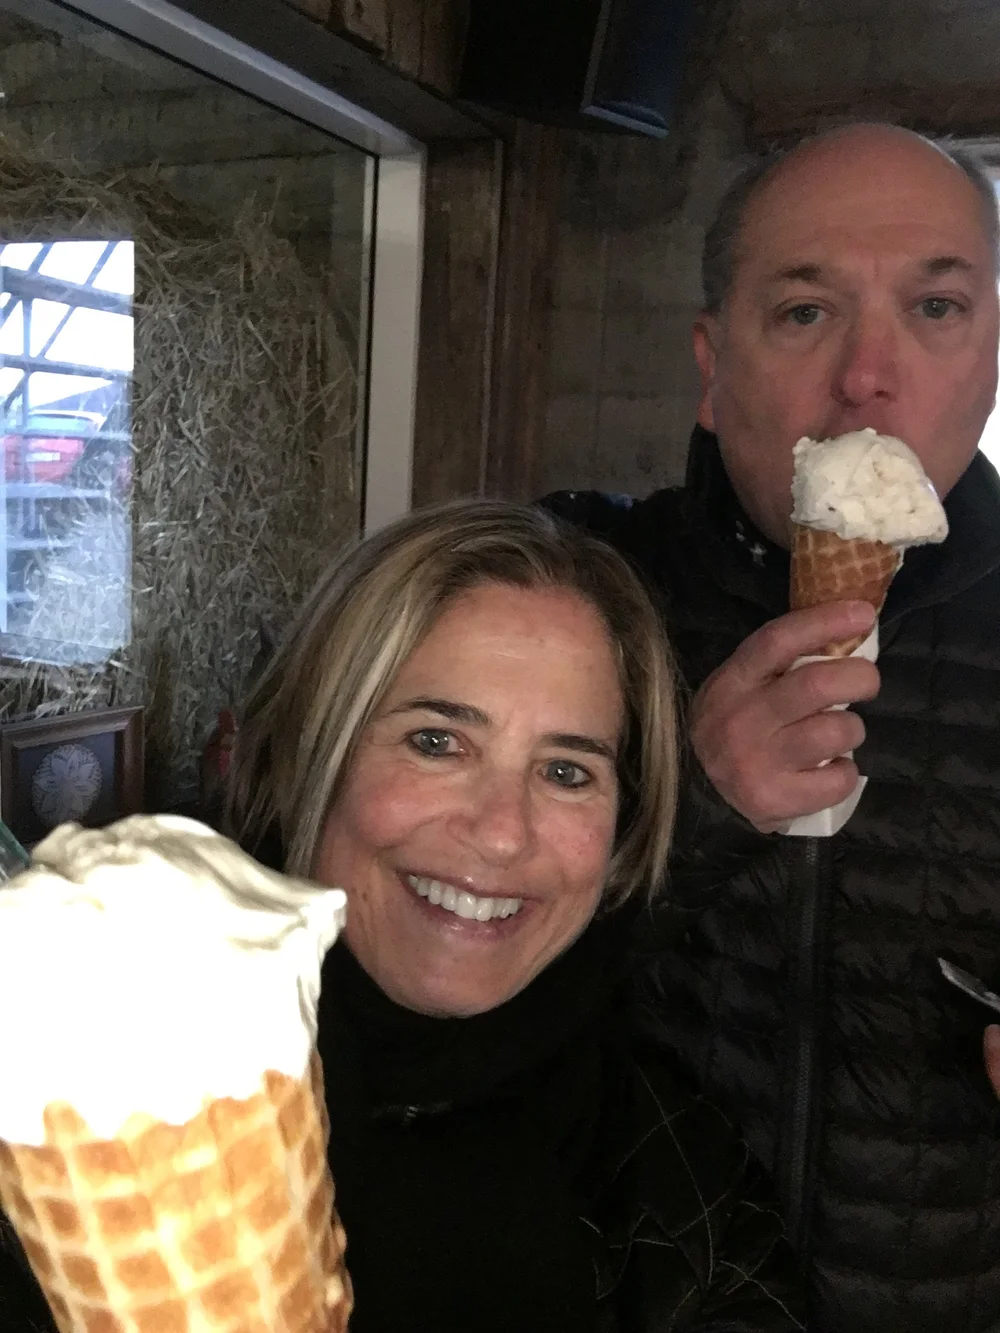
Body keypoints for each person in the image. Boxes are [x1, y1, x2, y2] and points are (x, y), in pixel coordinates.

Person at [545, 123, 1000, 1332]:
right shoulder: (573, 603)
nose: (867, 374)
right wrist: (688, 813)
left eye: (937, 307)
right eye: (804, 312)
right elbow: (421, 995)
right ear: (710, 365)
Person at [223, 499, 805, 1332]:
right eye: (437, 742)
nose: (501, 833)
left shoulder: (690, 1186)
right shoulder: (78, 1096)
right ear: (307, 751)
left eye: (567, 771)